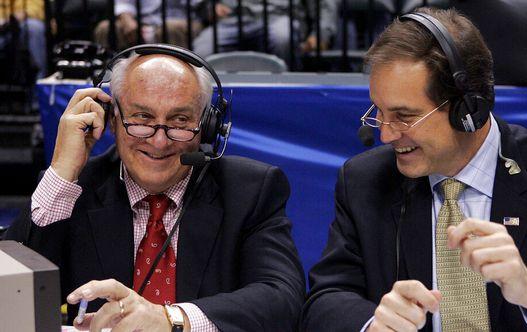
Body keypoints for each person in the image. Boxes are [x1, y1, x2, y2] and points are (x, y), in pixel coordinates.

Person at [301, 7, 527, 332]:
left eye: (404, 116)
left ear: (469, 109)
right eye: (379, 112)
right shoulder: (365, 181)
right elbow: (324, 300)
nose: (385, 134)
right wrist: (372, 324)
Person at [6, 45, 304, 331]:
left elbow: (282, 300)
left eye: (179, 121)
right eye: (141, 118)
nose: (159, 141)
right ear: (111, 120)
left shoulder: (250, 190)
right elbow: (11, 293)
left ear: (208, 126)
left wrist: (170, 319)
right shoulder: (75, 189)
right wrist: (62, 171)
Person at [192, 0, 336, 67]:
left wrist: (321, 33)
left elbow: (325, 4)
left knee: (283, 36)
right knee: (203, 48)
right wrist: (209, 5)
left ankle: (287, 90)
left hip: (280, 16)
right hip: (234, 18)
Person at [95, 0, 202, 50]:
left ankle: (180, 73)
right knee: (106, 28)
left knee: (169, 28)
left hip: (181, 20)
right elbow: (124, 3)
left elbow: (201, 4)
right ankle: (107, 75)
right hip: (141, 20)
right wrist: (127, 20)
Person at [0, 0, 46, 78]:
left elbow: (36, 9)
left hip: (21, 24)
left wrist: (13, 18)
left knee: (34, 28)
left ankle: (39, 82)